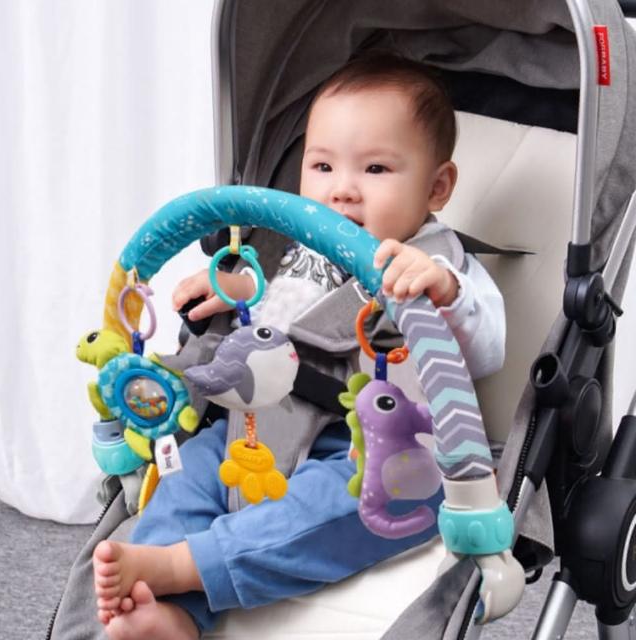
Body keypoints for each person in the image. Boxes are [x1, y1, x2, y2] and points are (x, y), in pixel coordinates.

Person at [92, 52, 505, 640]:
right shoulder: (300, 254)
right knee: (189, 475)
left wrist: (445, 293)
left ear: (436, 186)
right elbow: (272, 323)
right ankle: (170, 612)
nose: (342, 191)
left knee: (354, 504)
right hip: (260, 428)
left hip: (372, 448)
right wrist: (234, 292)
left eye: (376, 169)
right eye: (322, 166)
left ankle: (182, 568)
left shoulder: (436, 264)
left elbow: (486, 347)